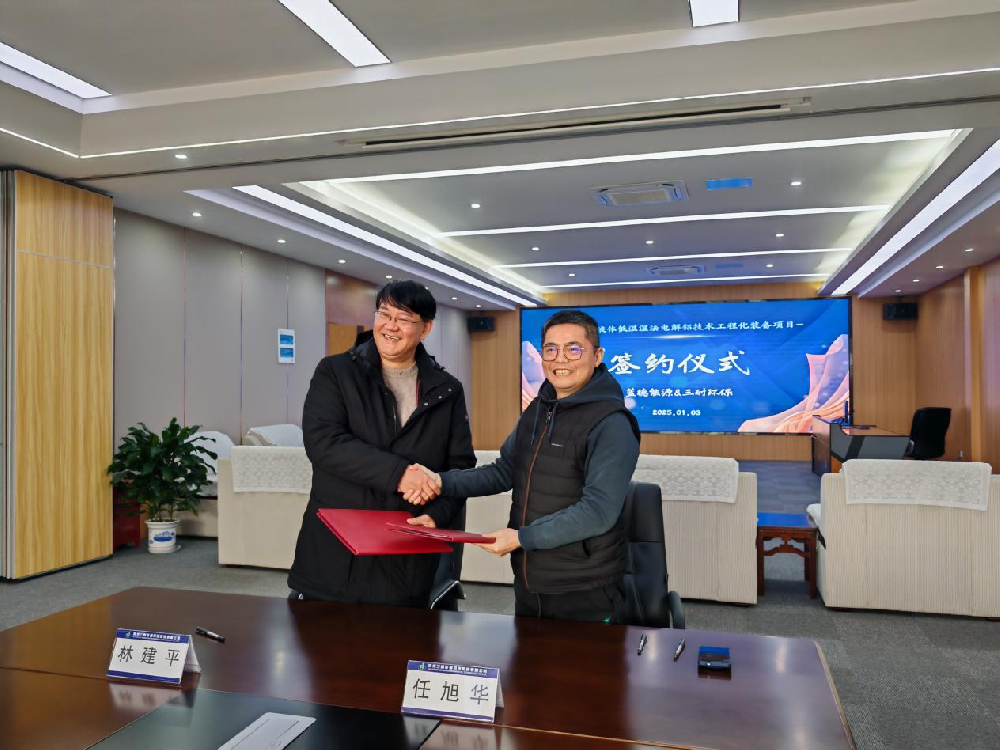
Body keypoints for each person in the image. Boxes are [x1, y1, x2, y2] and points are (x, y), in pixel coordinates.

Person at [404, 309, 640, 623]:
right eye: (551, 349)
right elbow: (504, 471)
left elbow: (597, 512)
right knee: (528, 656)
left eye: (573, 349)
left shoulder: (612, 423)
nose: (560, 359)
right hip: (530, 578)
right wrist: (439, 481)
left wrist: (520, 538)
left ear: (597, 356)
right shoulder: (539, 409)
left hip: (585, 586)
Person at [288, 280, 476, 607]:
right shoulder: (335, 372)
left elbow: (460, 467)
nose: (390, 325)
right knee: (324, 638)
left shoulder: (447, 390)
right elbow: (324, 442)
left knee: (405, 638)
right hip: (336, 554)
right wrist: (401, 475)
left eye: (403, 318)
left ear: (425, 328)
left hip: (409, 554)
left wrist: (436, 515)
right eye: (384, 314)